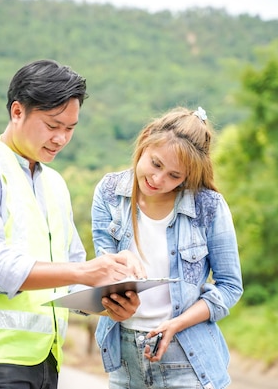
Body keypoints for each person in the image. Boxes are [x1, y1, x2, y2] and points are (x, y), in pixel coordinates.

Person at [0, 59, 143, 389]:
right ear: (17, 112)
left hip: (45, 360)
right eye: (52, 125)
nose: (61, 138)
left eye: (70, 128)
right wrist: (86, 271)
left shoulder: (54, 184)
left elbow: (72, 274)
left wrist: (110, 301)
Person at [91, 106, 244, 389]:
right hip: (124, 362)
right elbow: (103, 274)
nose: (158, 180)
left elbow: (230, 287)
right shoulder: (110, 193)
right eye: (156, 164)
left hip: (188, 358)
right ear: (146, 140)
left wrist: (176, 324)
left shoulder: (207, 205)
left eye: (175, 176)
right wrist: (112, 303)